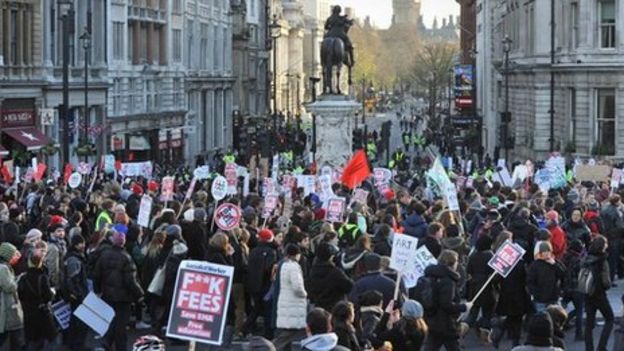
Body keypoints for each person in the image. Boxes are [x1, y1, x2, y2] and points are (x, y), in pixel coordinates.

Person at [93, 228, 144, 350]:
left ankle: (105, 345)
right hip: (123, 298)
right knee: (120, 327)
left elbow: (97, 274)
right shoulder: (126, 258)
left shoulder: (104, 255)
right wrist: (140, 294)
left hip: (107, 295)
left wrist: (97, 290)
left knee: (110, 322)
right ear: (123, 242)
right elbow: (130, 281)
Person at [423, 249, 471, 351]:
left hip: (432, 318)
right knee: (453, 346)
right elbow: (446, 304)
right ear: (452, 263)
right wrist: (464, 307)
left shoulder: (431, 275)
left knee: (431, 347)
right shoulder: (448, 280)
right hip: (446, 322)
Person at [17, 249, 57, 351]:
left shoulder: (23, 278)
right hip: (42, 314)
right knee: (49, 340)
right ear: (40, 262)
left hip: (29, 314)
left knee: (32, 341)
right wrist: (52, 292)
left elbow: (20, 295)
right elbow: (48, 296)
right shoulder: (42, 277)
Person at [243, 228, 278, 338]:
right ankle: (268, 333)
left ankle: (245, 328)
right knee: (268, 309)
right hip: (266, 284)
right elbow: (269, 269)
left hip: (254, 285)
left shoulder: (253, 251)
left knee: (257, 308)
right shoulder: (272, 252)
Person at [272, 244, 308, 351]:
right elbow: (297, 287)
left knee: (286, 333)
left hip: (285, 301)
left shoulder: (283, 265)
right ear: (297, 254)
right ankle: (269, 348)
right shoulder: (294, 267)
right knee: (289, 333)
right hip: (293, 303)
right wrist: (304, 294)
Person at [582, 235, 614, 351]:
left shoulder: (586, 258)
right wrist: (607, 286)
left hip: (587, 293)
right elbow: (606, 281)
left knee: (589, 325)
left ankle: (589, 348)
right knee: (610, 318)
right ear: (602, 246)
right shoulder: (603, 260)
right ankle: (602, 347)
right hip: (599, 294)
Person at [306, 242, 353, 312]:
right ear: (331, 256)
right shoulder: (335, 272)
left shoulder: (313, 271)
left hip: (319, 308)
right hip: (335, 308)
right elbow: (349, 286)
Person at [62, 233, 90, 351]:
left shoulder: (73, 257)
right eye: (81, 243)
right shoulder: (74, 259)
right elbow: (72, 279)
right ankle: (78, 345)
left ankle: (73, 343)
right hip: (78, 294)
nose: (83, 245)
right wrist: (78, 294)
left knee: (75, 320)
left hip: (77, 294)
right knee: (80, 321)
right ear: (77, 245)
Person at [527, 241, 565, 312]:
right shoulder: (535, 265)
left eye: (548, 251)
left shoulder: (556, 263)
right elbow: (530, 281)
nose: (547, 254)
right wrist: (536, 293)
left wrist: (554, 265)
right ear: (541, 253)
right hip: (540, 299)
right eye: (545, 252)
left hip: (554, 297)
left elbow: (563, 275)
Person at [0, 243, 24, 349]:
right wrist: (19, 279)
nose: (17, 256)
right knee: (11, 334)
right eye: (14, 254)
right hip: (7, 305)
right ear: (8, 255)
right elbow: (10, 287)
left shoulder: (6, 267)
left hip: (7, 304)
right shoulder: (3, 268)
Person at [600, 195, 624, 282]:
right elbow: (620, 225)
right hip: (615, 237)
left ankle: (607, 277)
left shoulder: (604, 209)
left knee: (608, 258)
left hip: (606, 236)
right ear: (617, 202)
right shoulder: (618, 212)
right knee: (614, 259)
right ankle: (611, 278)